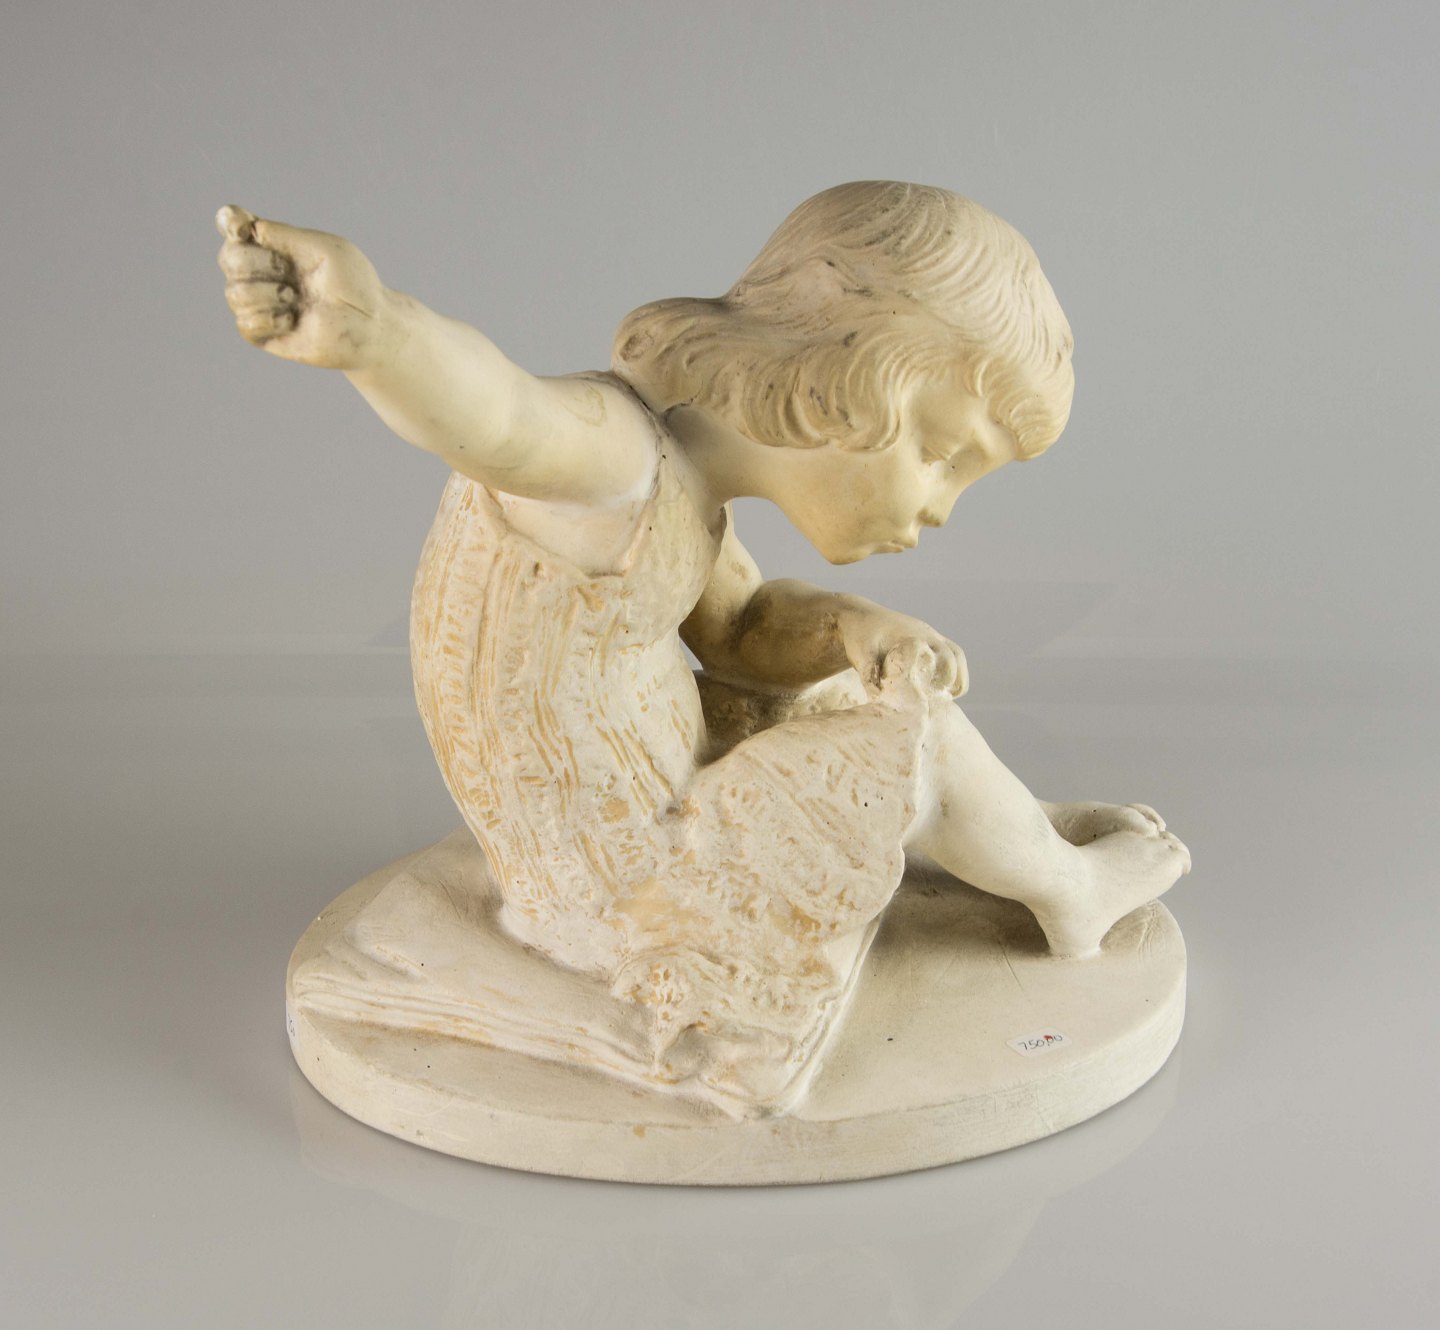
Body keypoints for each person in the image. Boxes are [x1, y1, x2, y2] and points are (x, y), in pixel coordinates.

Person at [218, 182, 1189, 1110]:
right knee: (915, 739)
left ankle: (1001, 834)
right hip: (623, 888)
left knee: (844, 691)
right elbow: (501, 418)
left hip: (641, 814)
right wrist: (380, 334)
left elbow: (742, 632)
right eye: (938, 456)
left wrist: (852, 626)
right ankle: (1071, 890)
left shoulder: (681, 482)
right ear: (836, 383)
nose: (940, 509)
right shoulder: (613, 457)